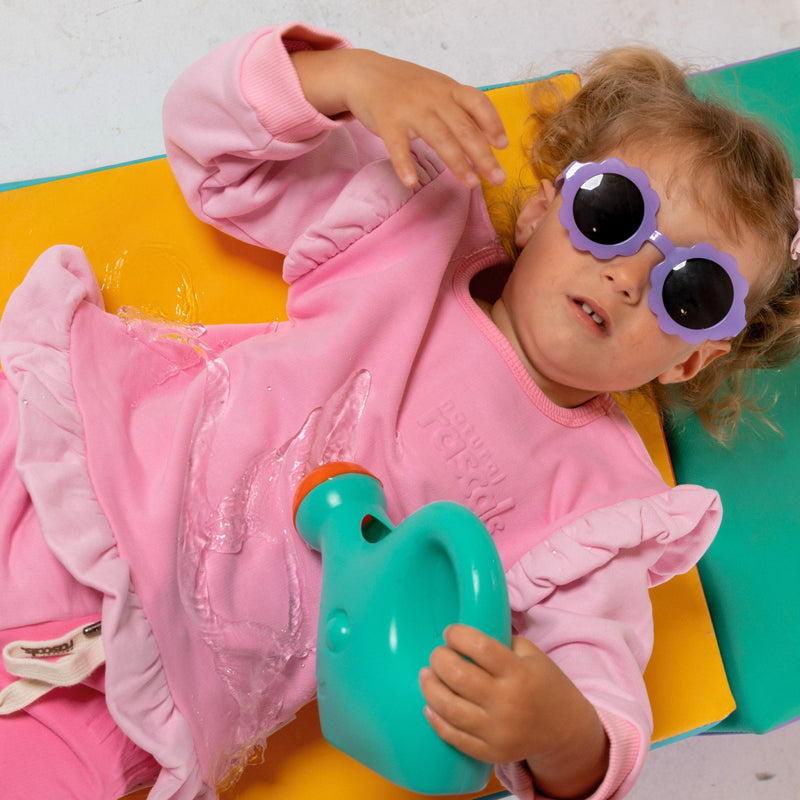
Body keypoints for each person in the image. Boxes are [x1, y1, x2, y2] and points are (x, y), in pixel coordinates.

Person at [1, 20, 798, 800]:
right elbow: (214, 148)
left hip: (147, 693)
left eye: (692, 293)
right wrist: (348, 81)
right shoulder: (414, 222)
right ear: (540, 208)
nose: (629, 278)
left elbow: (600, 702)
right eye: (613, 215)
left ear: (694, 358)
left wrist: (557, 731)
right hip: (62, 477)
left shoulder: (599, 512)